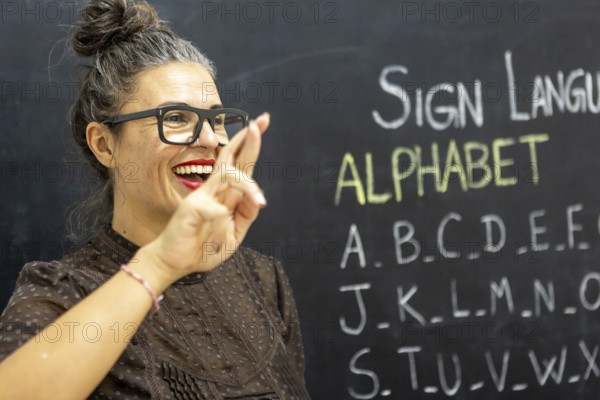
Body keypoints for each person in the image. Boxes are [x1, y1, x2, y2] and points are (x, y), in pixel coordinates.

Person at [0, 0, 310, 399]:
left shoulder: (263, 279)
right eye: (175, 118)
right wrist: (161, 262)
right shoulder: (62, 292)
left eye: (215, 120)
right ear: (104, 145)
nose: (209, 140)